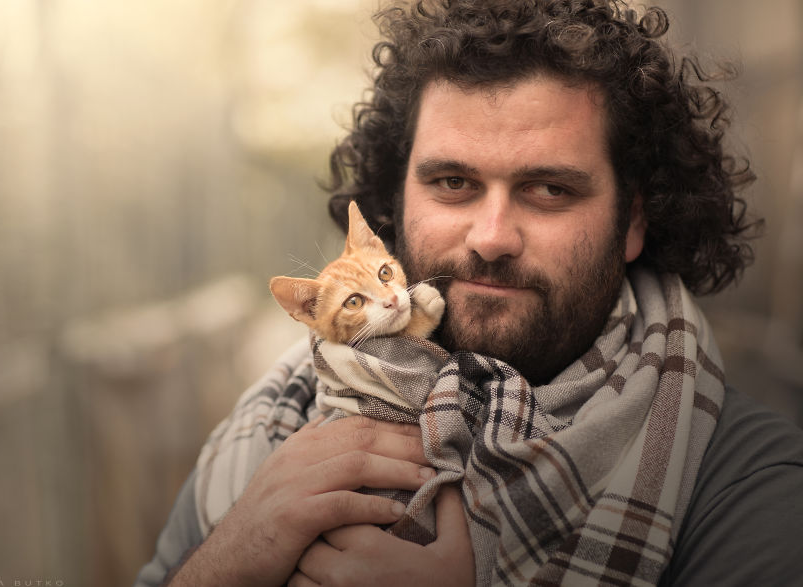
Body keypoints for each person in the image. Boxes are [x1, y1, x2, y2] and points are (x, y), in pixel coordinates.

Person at [137, 1, 803, 585]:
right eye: (452, 183)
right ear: (394, 202)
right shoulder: (275, 437)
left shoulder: (748, 485)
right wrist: (234, 555)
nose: (490, 237)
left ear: (633, 220)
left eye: (550, 189)